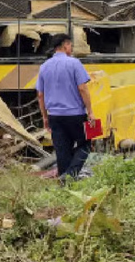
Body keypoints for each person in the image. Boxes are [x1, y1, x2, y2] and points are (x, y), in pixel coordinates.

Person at [36, 33, 95, 182]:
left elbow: (40, 95)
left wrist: (44, 117)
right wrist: (90, 111)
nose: (72, 48)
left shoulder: (44, 67)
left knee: (62, 150)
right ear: (65, 45)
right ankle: (69, 176)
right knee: (87, 143)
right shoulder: (74, 63)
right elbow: (83, 88)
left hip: (54, 116)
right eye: (71, 45)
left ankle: (65, 185)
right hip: (76, 114)